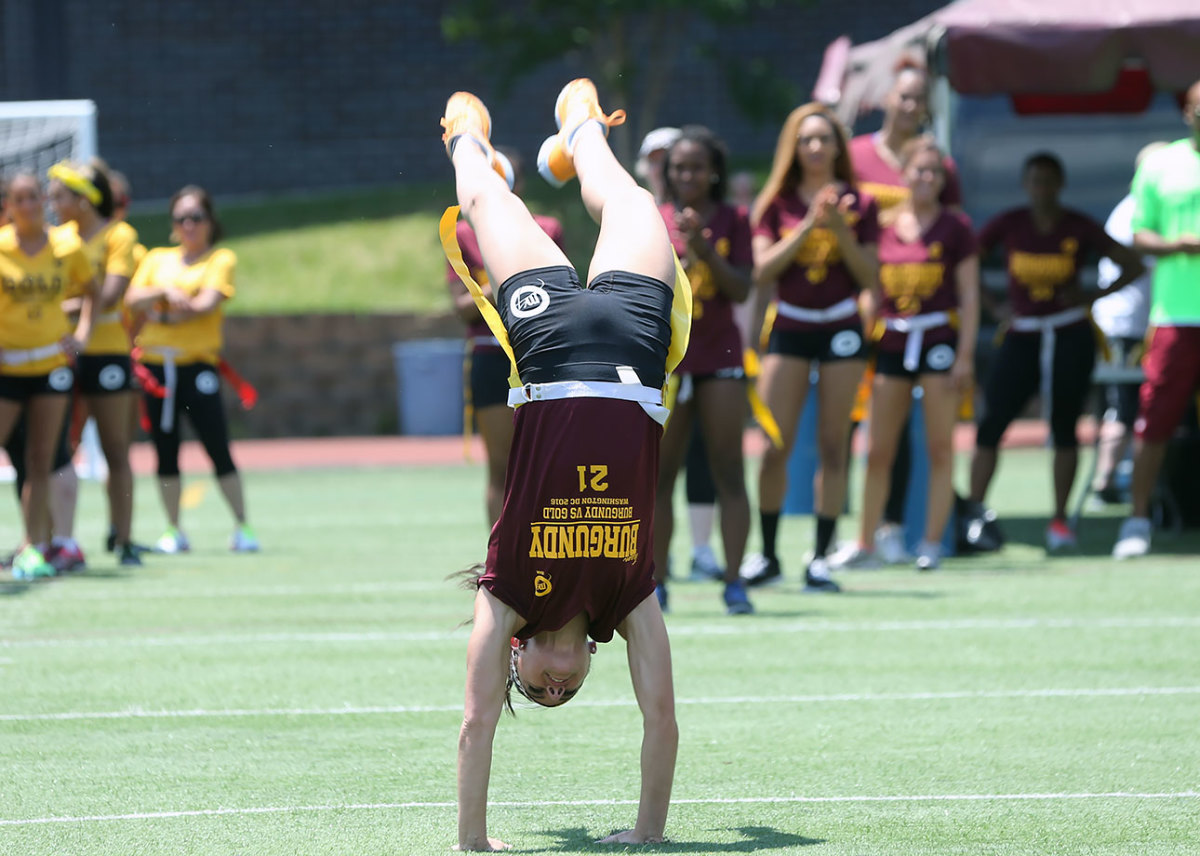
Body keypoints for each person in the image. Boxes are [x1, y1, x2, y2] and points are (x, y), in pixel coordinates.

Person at [442, 80, 680, 850]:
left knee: (483, 201)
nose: (556, 686)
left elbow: (477, 721)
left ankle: (467, 135)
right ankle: (578, 127)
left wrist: (473, 843)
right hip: (636, 347)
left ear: (519, 648)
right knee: (628, 199)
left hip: (551, 351)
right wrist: (647, 834)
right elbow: (663, 718)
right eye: (565, 693)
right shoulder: (628, 599)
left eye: (538, 686)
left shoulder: (507, 591)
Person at [967, 152, 1144, 551]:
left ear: (1060, 185)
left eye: (1049, 181)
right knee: (992, 422)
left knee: (1065, 427)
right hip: (1022, 333)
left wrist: (1091, 295)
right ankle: (974, 513)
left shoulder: (1076, 225)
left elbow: (1132, 264)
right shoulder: (1010, 224)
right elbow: (968, 261)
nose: (1042, 189)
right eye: (1035, 181)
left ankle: (1060, 520)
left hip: (1068, 333)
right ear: (1025, 185)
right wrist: (994, 306)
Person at [741, 103, 879, 590]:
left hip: (841, 325)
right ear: (793, 148)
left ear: (839, 146)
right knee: (775, 443)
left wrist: (838, 228)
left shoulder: (859, 204)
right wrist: (807, 226)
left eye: (825, 138)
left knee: (833, 445)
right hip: (791, 326)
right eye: (807, 139)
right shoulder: (775, 204)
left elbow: (869, 275)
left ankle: (820, 556)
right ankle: (768, 554)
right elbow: (761, 269)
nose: (816, 147)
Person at [841, 137, 979, 571]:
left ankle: (932, 543)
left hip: (937, 340)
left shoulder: (956, 229)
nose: (926, 179)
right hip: (892, 342)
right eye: (919, 170)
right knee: (879, 449)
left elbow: (970, 295)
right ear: (904, 175)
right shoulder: (883, 226)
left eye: (934, 172)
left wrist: (965, 356)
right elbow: (870, 287)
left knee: (939, 448)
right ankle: (867, 542)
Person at [652, 125, 754, 614]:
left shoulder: (734, 219)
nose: (686, 175)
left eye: (695, 167)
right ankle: (656, 581)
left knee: (728, 472)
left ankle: (734, 581)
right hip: (668, 363)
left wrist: (705, 247)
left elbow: (741, 290)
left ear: (713, 172)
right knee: (658, 476)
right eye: (677, 168)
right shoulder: (652, 219)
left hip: (720, 359)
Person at [124, 185, 259, 554]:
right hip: (156, 369)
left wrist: (160, 312)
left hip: (197, 366)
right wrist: (165, 292)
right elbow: (132, 299)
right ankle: (173, 528)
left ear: (209, 221)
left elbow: (204, 305)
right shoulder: (156, 259)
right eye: (181, 218)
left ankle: (242, 525)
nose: (188, 225)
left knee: (217, 446)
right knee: (164, 451)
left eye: (196, 217)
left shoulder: (219, 259)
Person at [449, 147, 565, 525]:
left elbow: (559, 294)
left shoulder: (546, 228)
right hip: (490, 355)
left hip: (536, 354)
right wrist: (501, 282)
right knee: (500, 468)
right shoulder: (462, 234)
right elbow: (462, 306)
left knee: (545, 468)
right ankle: (500, 561)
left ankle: (542, 554)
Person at [1113, 81, 1200, 559]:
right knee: (1155, 422)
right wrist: (1178, 246)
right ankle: (1137, 519)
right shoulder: (1160, 164)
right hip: (1176, 316)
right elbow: (1138, 234)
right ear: (1187, 113)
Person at [0, 171, 98, 580]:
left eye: (33, 197)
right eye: (18, 199)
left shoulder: (67, 245)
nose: (27, 205)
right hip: (8, 367)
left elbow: (92, 289)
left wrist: (83, 334)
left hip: (51, 368)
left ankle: (34, 546)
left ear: (42, 200)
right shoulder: (2, 247)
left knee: (40, 459)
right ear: (7, 205)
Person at [47, 160, 144, 566]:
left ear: (84, 200)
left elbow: (108, 294)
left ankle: (123, 539)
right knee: (55, 452)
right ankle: (53, 539)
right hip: (62, 353)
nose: (52, 204)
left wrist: (59, 306)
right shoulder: (56, 239)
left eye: (59, 196)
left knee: (115, 449)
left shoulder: (119, 235)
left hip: (106, 352)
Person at [1090, 142, 1166, 504]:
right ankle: (1105, 481)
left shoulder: (1138, 208)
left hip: (1132, 325)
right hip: (1124, 327)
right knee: (1122, 406)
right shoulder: (1135, 214)